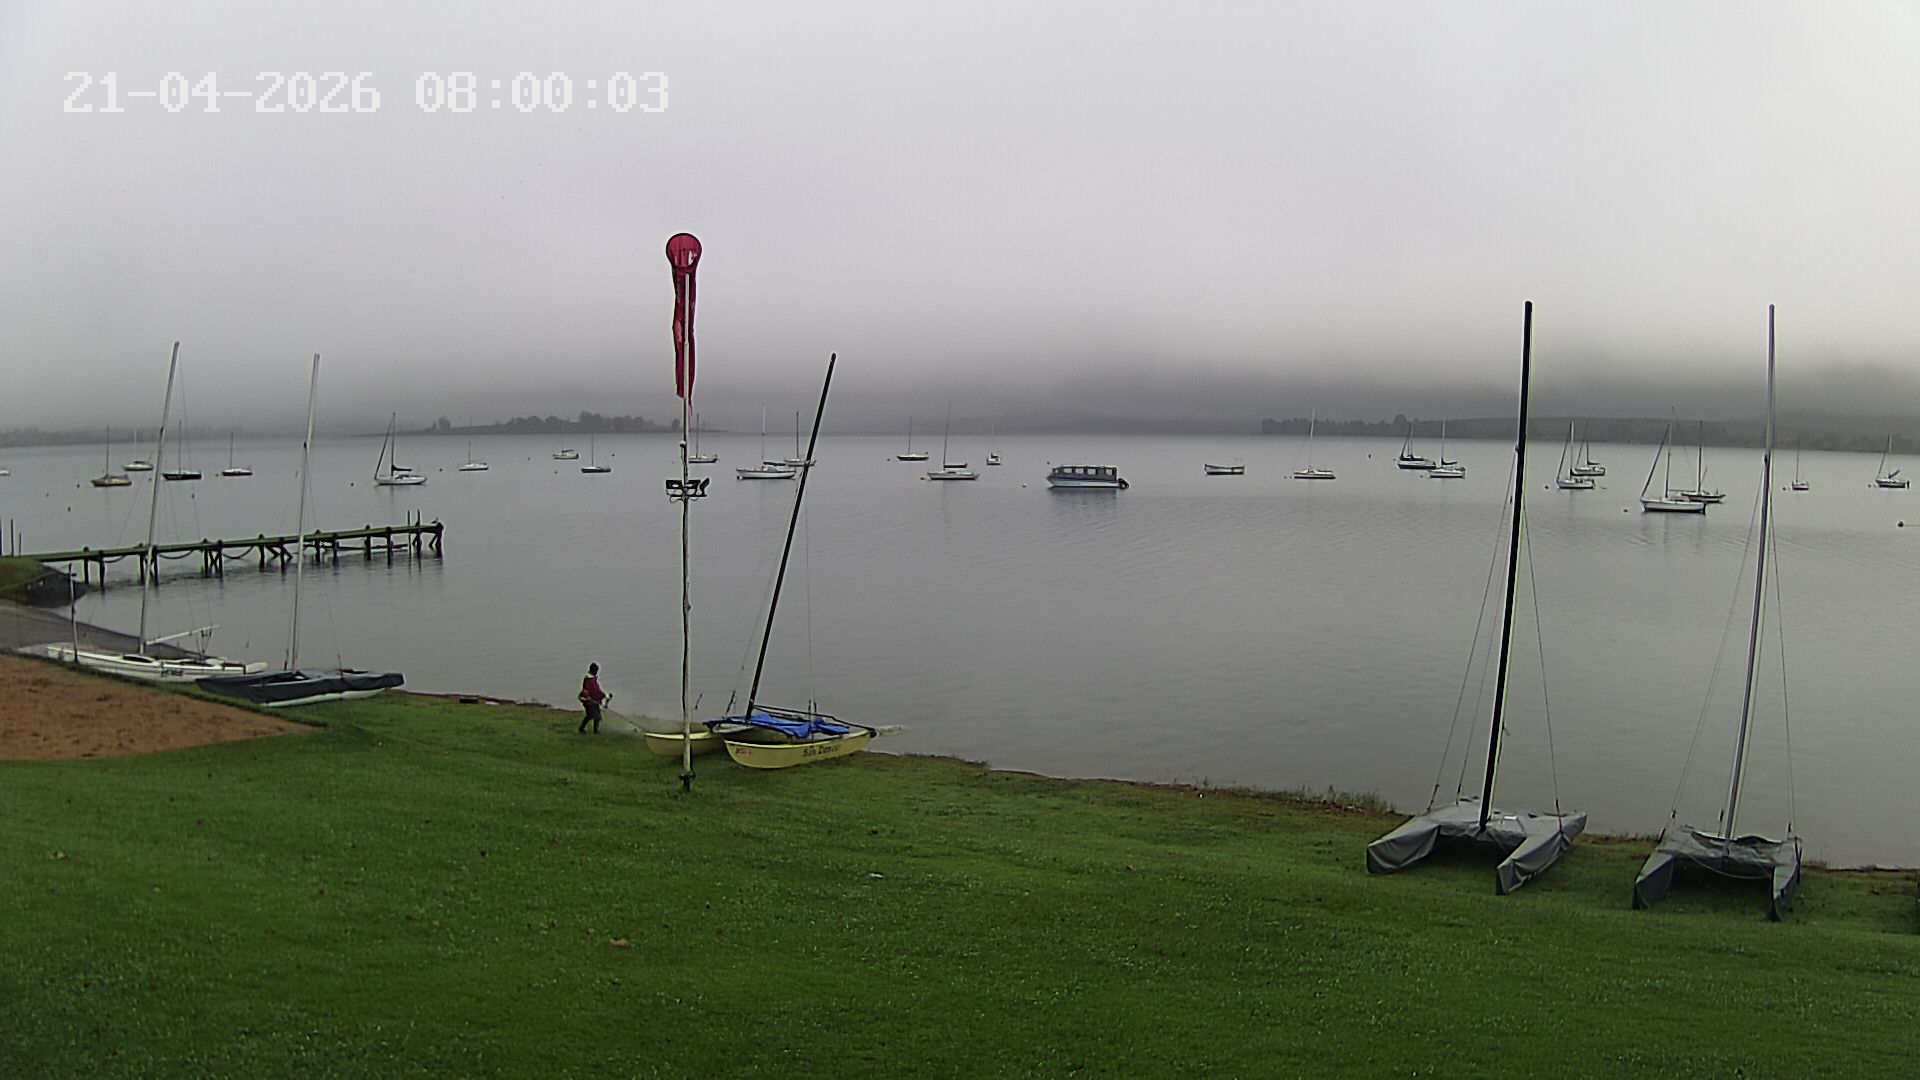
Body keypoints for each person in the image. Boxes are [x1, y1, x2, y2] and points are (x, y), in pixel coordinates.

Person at [577, 662, 609, 734]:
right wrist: (590, 698)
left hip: (594, 701)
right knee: (592, 716)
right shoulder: (588, 679)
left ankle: (594, 730)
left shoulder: (593, 679)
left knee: (595, 716)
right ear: (593, 671)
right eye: (596, 671)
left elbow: (596, 690)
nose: (597, 672)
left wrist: (601, 697)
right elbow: (587, 691)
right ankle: (583, 729)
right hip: (589, 702)